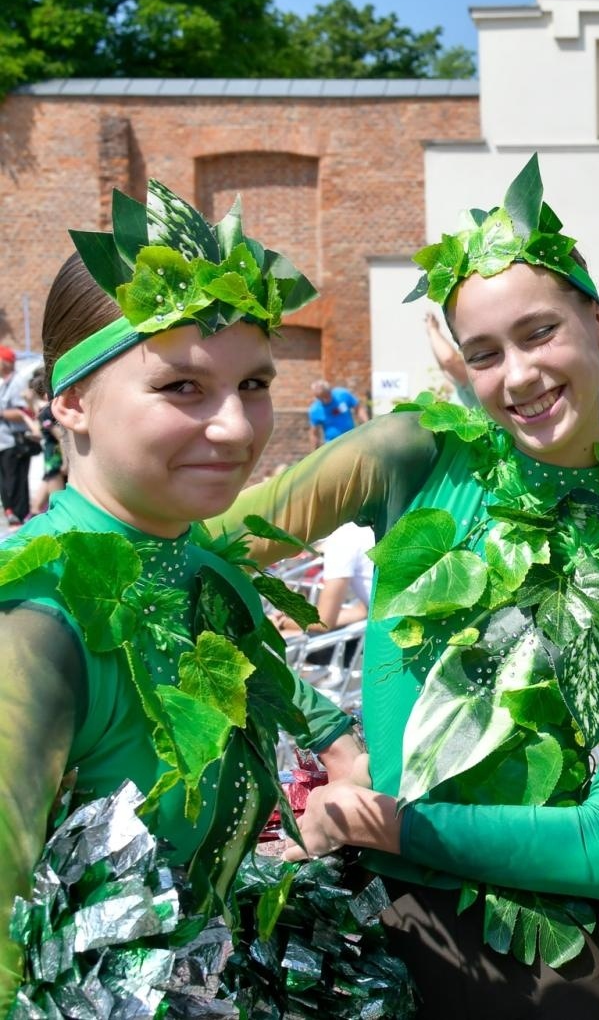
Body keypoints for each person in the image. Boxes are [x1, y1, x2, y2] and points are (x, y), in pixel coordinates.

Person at [210, 154, 599, 1019]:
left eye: (540, 333)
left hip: (571, 974)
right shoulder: (411, 456)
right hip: (388, 939)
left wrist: (383, 824)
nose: (519, 375)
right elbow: (191, 558)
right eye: (485, 354)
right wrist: (327, 731)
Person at [0, 182, 365, 1013]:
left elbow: (265, 675)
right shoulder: (36, 620)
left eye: (254, 383)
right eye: (183, 388)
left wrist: (343, 746)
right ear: (71, 400)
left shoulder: (196, 561)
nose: (236, 428)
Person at [0, 345, 33, 524]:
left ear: (5, 362)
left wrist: (2, 413)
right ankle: (12, 515)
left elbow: (24, 412)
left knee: (16, 483)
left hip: (14, 442)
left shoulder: (17, 382)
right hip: (4, 442)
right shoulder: (4, 383)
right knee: (6, 483)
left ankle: (19, 518)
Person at [27, 368, 65, 515]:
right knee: (55, 502)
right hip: (54, 458)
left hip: (52, 458)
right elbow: (58, 436)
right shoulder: (48, 411)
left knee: (53, 501)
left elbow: (58, 436)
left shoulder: (45, 412)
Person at [306, 377, 365, 447]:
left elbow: (359, 408)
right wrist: (315, 450)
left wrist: (367, 423)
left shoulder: (343, 394)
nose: (324, 400)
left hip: (351, 439)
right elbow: (314, 433)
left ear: (330, 390)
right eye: (320, 398)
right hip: (332, 445)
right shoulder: (315, 410)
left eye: (326, 396)